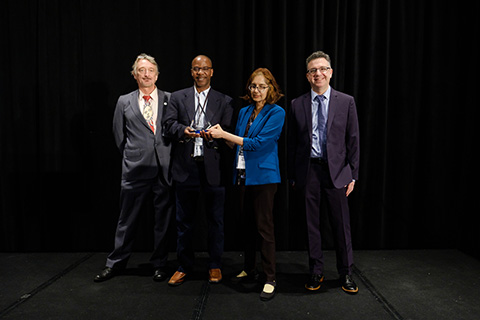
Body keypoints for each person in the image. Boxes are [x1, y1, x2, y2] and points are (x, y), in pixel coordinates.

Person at [94, 53, 174, 282]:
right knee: (127, 219)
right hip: (135, 170)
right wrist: (134, 155)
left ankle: (159, 264)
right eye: (142, 70)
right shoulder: (124, 101)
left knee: (162, 221)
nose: (146, 74)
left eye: (150, 70)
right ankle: (116, 263)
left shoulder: (170, 98)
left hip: (163, 169)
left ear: (157, 74)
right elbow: (119, 136)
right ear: (134, 75)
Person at [208, 68, 285, 301]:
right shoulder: (244, 111)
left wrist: (225, 135)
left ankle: (270, 277)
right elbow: (238, 145)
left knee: (264, 228)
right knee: (246, 225)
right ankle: (250, 268)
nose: (256, 90)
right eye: (253, 86)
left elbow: (257, 144)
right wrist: (215, 136)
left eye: (262, 86)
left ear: (271, 88)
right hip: (242, 174)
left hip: (264, 178)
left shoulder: (277, 112)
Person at [287, 51, 360, 294]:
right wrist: (294, 175)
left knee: (341, 224)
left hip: (337, 172)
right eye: (312, 70)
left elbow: (353, 140)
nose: (318, 73)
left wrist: (353, 173)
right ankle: (316, 270)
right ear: (307, 76)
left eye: (322, 69)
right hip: (309, 171)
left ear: (330, 72)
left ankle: (346, 272)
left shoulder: (346, 101)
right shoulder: (297, 104)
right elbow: (293, 143)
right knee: (311, 225)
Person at [163, 55, 234, 286]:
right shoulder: (177, 97)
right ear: (191, 71)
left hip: (214, 167)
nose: (200, 73)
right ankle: (183, 266)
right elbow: (168, 125)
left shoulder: (224, 100)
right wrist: (184, 130)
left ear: (211, 72)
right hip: (185, 167)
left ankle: (215, 265)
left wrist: (216, 133)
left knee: (216, 221)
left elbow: (229, 131)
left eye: (204, 69)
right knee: (184, 222)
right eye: (196, 69)